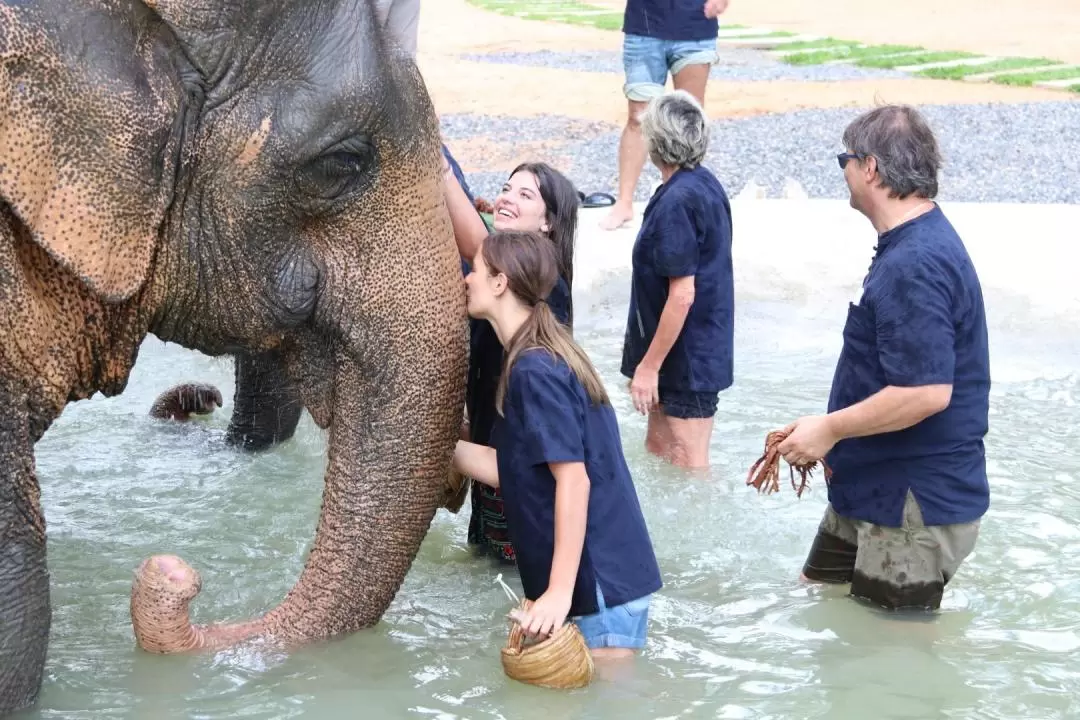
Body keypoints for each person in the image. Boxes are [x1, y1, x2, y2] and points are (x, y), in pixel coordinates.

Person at [778, 104, 990, 612]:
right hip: (870, 488)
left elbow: (926, 392)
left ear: (869, 167)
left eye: (844, 161)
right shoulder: (910, 245)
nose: (845, 174)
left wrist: (828, 430)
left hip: (911, 504)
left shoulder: (914, 263)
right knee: (819, 600)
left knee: (892, 655)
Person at [452, 229, 663, 659]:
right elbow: (512, 469)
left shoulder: (534, 371)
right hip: (610, 579)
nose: (466, 280)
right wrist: (428, 445)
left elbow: (573, 480)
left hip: (597, 587)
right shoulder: (541, 356)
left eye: (474, 269)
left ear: (500, 282)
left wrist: (557, 594)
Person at [440, 156, 580, 563]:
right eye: (505, 188)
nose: (507, 198)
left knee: (511, 574)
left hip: (515, 469)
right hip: (492, 457)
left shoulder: (544, 277)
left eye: (525, 195)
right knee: (488, 573)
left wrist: (442, 170)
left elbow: (475, 247)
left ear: (548, 223)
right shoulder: (500, 278)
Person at [620, 90, 734, 469]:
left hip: (689, 359)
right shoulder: (699, 184)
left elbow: (683, 294)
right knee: (658, 449)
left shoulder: (677, 202)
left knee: (687, 460)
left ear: (656, 140)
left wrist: (648, 367)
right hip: (681, 353)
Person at [599, 0, 730, 231]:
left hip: (695, 29)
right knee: (638, 118)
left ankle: (686, 200)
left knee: (689, 120)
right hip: (644, 29)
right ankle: (624, 203)